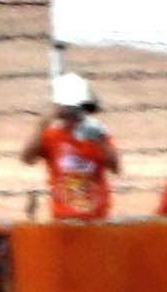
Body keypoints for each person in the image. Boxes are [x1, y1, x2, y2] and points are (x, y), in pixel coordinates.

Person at [23, 73, 120, 222]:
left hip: (96, 218)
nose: (71, 114)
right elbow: (27, 158)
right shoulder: (52, 136)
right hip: (63, 218)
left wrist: (100, 140)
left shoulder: (96, 134)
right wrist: (43, 124)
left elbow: (115, 167)